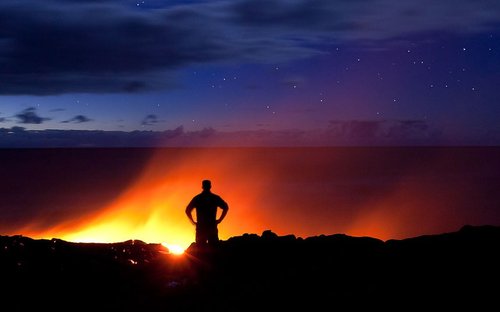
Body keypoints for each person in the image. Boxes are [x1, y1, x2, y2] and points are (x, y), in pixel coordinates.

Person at [185, 179, 229, 246]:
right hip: (211, 226)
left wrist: (193, 222)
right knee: (213, 247)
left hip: (202, 226)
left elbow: (187, 210)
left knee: (201, 248)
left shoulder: (198, 198)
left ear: (202, 187)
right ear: (210, 186)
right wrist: (219, 220)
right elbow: (226, 207)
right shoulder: (214, 198)